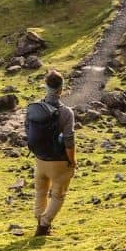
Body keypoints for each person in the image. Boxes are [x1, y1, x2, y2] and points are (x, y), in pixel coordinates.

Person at [32, 69, 76, 236]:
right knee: (58, 194)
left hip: (40, 158)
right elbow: (69, 140)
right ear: (61, 89)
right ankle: (44, 224)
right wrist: (72, 161)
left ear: (45, 86)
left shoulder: (34, 107)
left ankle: (39, 217)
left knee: (40, 191)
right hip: (58, 161)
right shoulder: (66, 112)